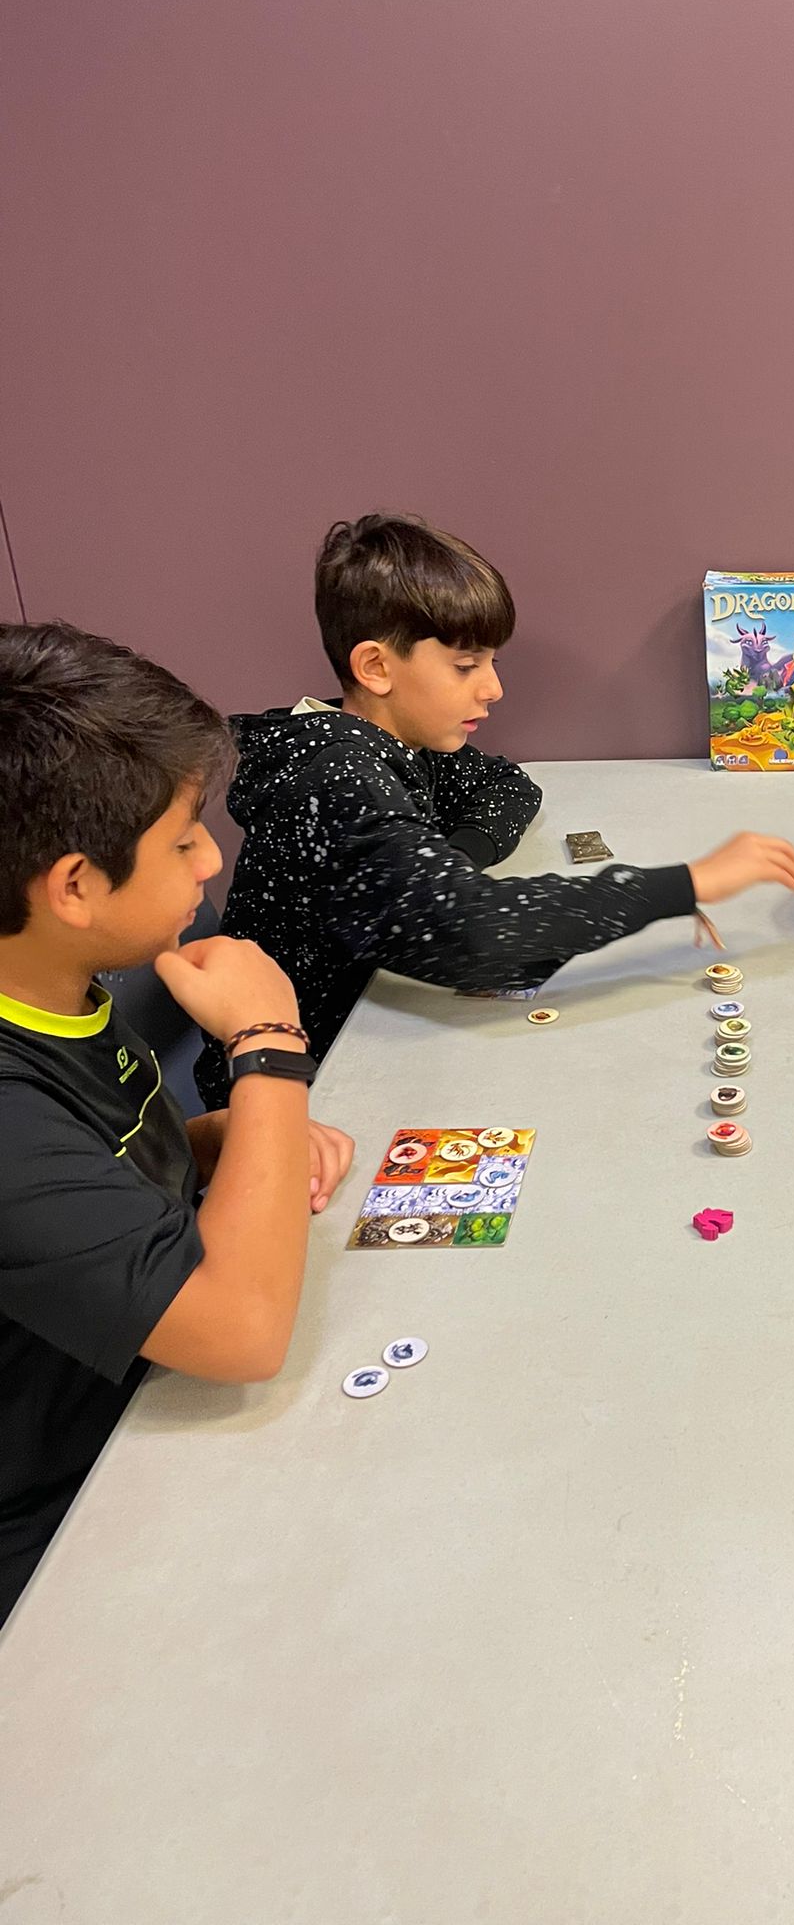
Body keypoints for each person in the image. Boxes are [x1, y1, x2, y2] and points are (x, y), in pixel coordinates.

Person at [196, 515, 794, 1104]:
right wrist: (684, 883)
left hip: (372, 1030)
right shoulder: (336, 776)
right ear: (376, 667)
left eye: (491, 663)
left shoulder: (393, 737)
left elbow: (508, 786)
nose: (493, 688)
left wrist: (446, 863)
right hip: (303, 1087)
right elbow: (478, 933)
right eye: (466, 666)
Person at [0, 622, 353, 1624]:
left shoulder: (51, 984)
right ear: (74, 886)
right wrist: (269, 1044)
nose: (209, 862)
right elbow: (242, 1333)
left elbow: (93, 1165)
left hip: (143, 1410)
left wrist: (225, 1142)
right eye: (184, 837)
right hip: (62, 1524)